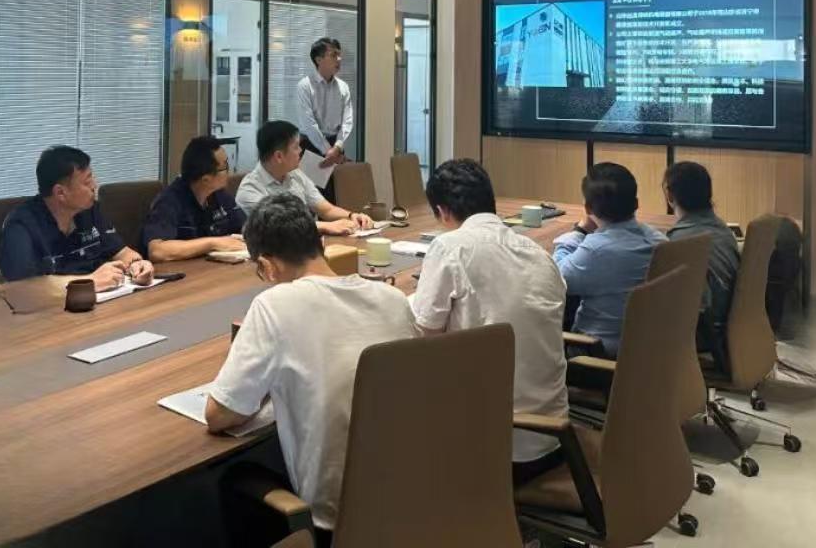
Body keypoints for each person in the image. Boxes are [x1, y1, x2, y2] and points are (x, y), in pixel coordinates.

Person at [205, 193, 414, 542]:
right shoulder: (393, 300)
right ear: (320, 245)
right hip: (411, 500)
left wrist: (265, 389)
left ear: (267, 266)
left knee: (234, 478)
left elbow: (219, 415)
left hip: (336, 522)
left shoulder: (275, 305)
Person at [410, 159, 569, 486]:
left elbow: (423, 335)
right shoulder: (539, 253)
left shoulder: (449, 247)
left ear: (442, 211)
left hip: (491, 447)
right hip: (555, 437)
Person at [0, 145, 153, 288]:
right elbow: (22, 287)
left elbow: (121, 251)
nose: (94, 186)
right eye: (87, 182)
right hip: (52, 307)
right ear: (60, 193)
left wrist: (137, 264)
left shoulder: (89, 210)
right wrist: (89, 281)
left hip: (100, 300)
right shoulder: (21, 226)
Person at [552, 162, 664, 357]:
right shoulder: (659, 241)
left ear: (588, 208)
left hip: (598, 353)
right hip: (650, 349)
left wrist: (579, 231)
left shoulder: (596, 251)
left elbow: (553, 277)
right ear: (636, 203)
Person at [235, 120, 370, 236]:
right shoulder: (250, 189)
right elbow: (279, 225)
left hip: (308, 245)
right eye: (296, 147)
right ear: (279, 156)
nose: (300, 151)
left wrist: (352, 216)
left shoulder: (296, 174)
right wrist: (325, 226)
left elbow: (326, 209)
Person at [663, 161, 741, 352]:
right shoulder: (723, 230)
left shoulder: (680, 242)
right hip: (727, 328)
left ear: (669, 195)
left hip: (703, 335)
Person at [142, 135, 248, 262]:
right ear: (206, 179)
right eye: (225, 167)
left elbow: (246, 228)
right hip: (182, 271)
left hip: (212, 268)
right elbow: (157, 251)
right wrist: (212, 243)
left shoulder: (219, 195)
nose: (229, 171)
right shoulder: (169, 200)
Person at [295, 36, 354, 203]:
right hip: (312, 146)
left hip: (336, 145)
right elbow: (308, 123)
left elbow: (347, 120)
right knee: (314, 199)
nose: (339, 59)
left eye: (339, 55)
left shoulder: (343, 87)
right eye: (334, 55)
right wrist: (328, 151)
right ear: (318, 59)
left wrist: (338, 147)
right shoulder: (305, 86)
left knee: (337, 196)